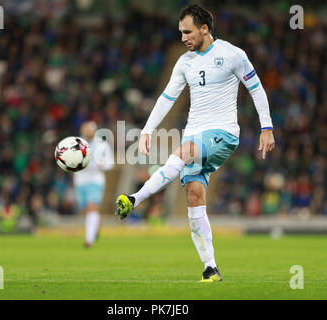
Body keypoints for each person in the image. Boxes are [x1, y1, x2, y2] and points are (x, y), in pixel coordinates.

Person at [115, 4, 275, 282]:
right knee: (194, 196)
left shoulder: (232, 54)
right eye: (180, 33)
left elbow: (256, 88)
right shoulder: (184, 62)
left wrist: (267, 126)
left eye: (188, 32)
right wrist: (147, 130)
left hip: (223, 133)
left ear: (204, 29)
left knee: (184, 151)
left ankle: (134, 199)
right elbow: (167, 98)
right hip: (194, 134)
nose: (183, 38)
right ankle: (210, 267)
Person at [74, 121, 114, 247]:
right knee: (86, 210)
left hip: (95, 180)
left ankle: (89, 239)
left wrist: (102, 165)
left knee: (92, 206)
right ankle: (95, 228)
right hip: (80, 181)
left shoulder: (102, 145)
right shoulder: (75, 144)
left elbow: (110, 163)